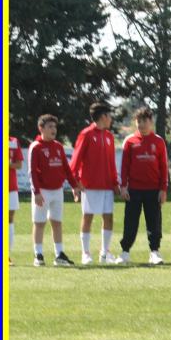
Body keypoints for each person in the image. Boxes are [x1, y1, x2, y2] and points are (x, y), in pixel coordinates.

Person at [116, 107, 168, 265]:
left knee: (154, 222)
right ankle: (125, 252)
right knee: (130, 222)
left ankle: (154, 252)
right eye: (139, 121)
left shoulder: (158, 141)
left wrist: (163, 189)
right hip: (134, 190)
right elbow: (124, 166)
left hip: (153, 190)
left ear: (151, 122)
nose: (142, 124)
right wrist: (123, 186)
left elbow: (163, 167)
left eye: (145, 121)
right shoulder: (130, 141)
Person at [70, 102, 120, 265]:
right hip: (89, 185)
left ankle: (104, 253)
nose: (111, 119)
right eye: (109, 116)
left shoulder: (109, 136)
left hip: (107, 186)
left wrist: (115, 183)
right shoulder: (86, 134)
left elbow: (112, 163)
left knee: (109, 217)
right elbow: (76, 160)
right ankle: (86, 253)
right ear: (103, 116)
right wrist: (75, 182)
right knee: (88, 216)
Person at [28, 115, 82, 266]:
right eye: (50, 127)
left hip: (57, 191)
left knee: (57, 222)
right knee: (39, 223)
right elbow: (32, 172)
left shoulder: (58, 146)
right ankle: (38, 254)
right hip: (42, 192)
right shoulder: (36, 147)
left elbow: (66, 168)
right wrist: (36, 192)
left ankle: (59, 255)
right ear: (41, 128)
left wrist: (74, 186)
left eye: (55, 127)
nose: (53, 130)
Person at [8, 135, 23, 264]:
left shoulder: (13, 141)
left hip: (10, 186)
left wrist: (7, 164)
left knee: (9, 219)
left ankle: (6, 254)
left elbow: (19, 164)